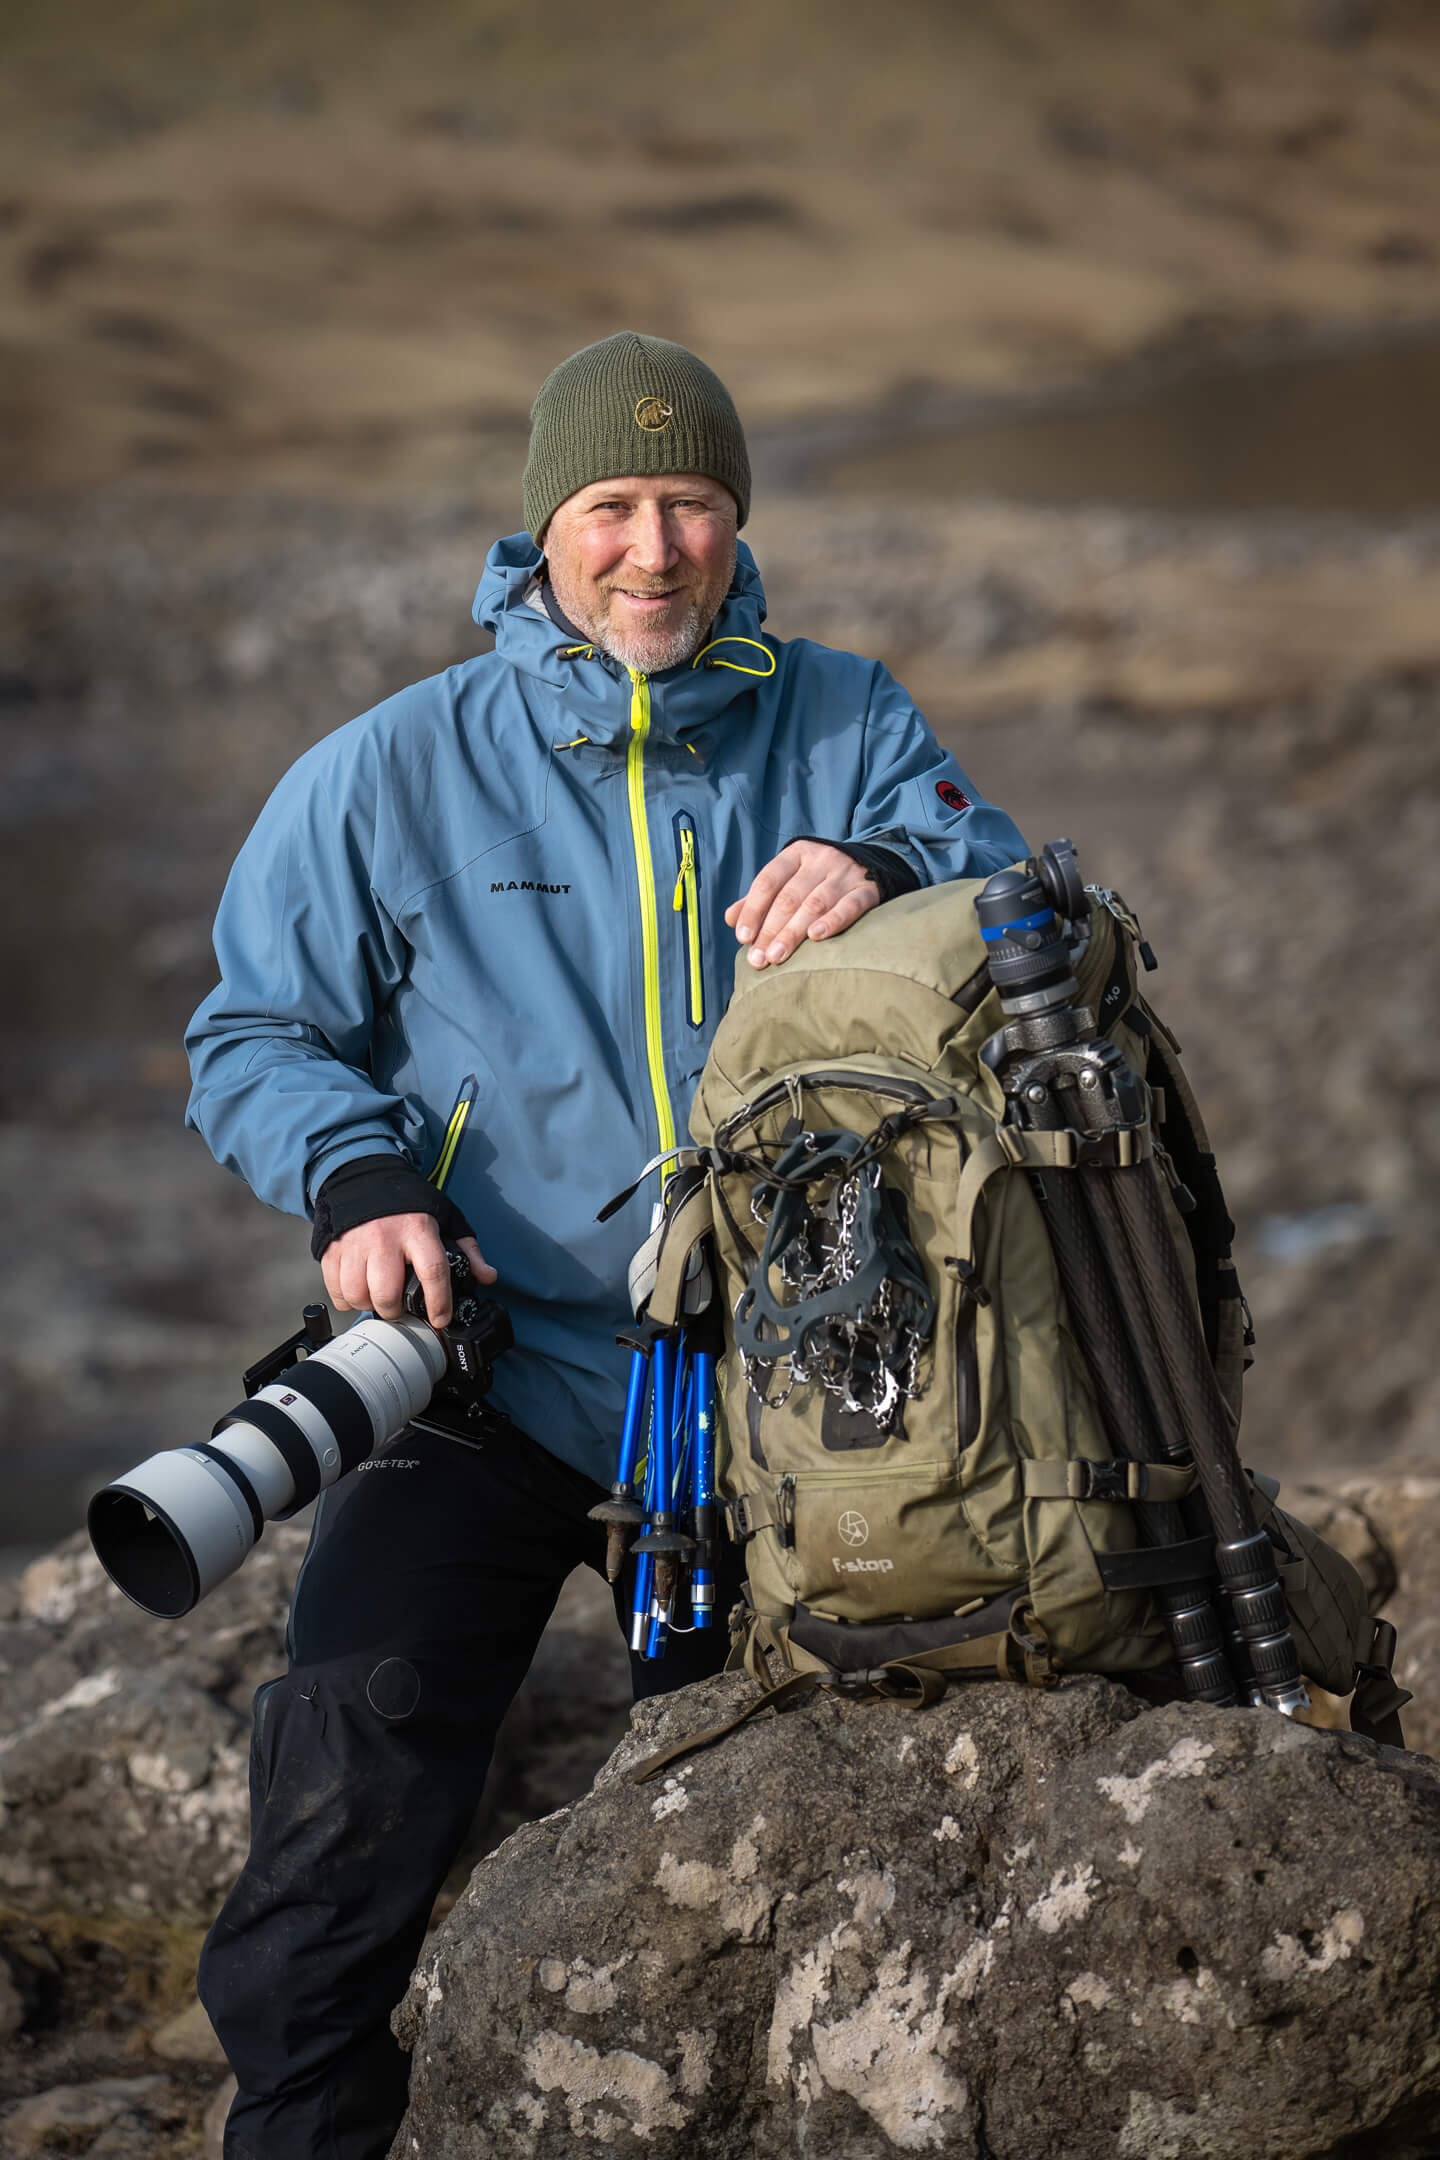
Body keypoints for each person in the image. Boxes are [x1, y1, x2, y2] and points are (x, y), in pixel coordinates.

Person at [185, 331, 1027, 2159]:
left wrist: (887, 863)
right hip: (483, 1380)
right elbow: (252, 1032)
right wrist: (357, 1187)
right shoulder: (388, 772)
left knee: (781, 1856)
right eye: (613, 506)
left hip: (786, 1402)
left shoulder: (846, 714)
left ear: (737, 523)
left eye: (694, 504)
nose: (655, 548)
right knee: (336, 1815)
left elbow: (1024, 900)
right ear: (543, 530)